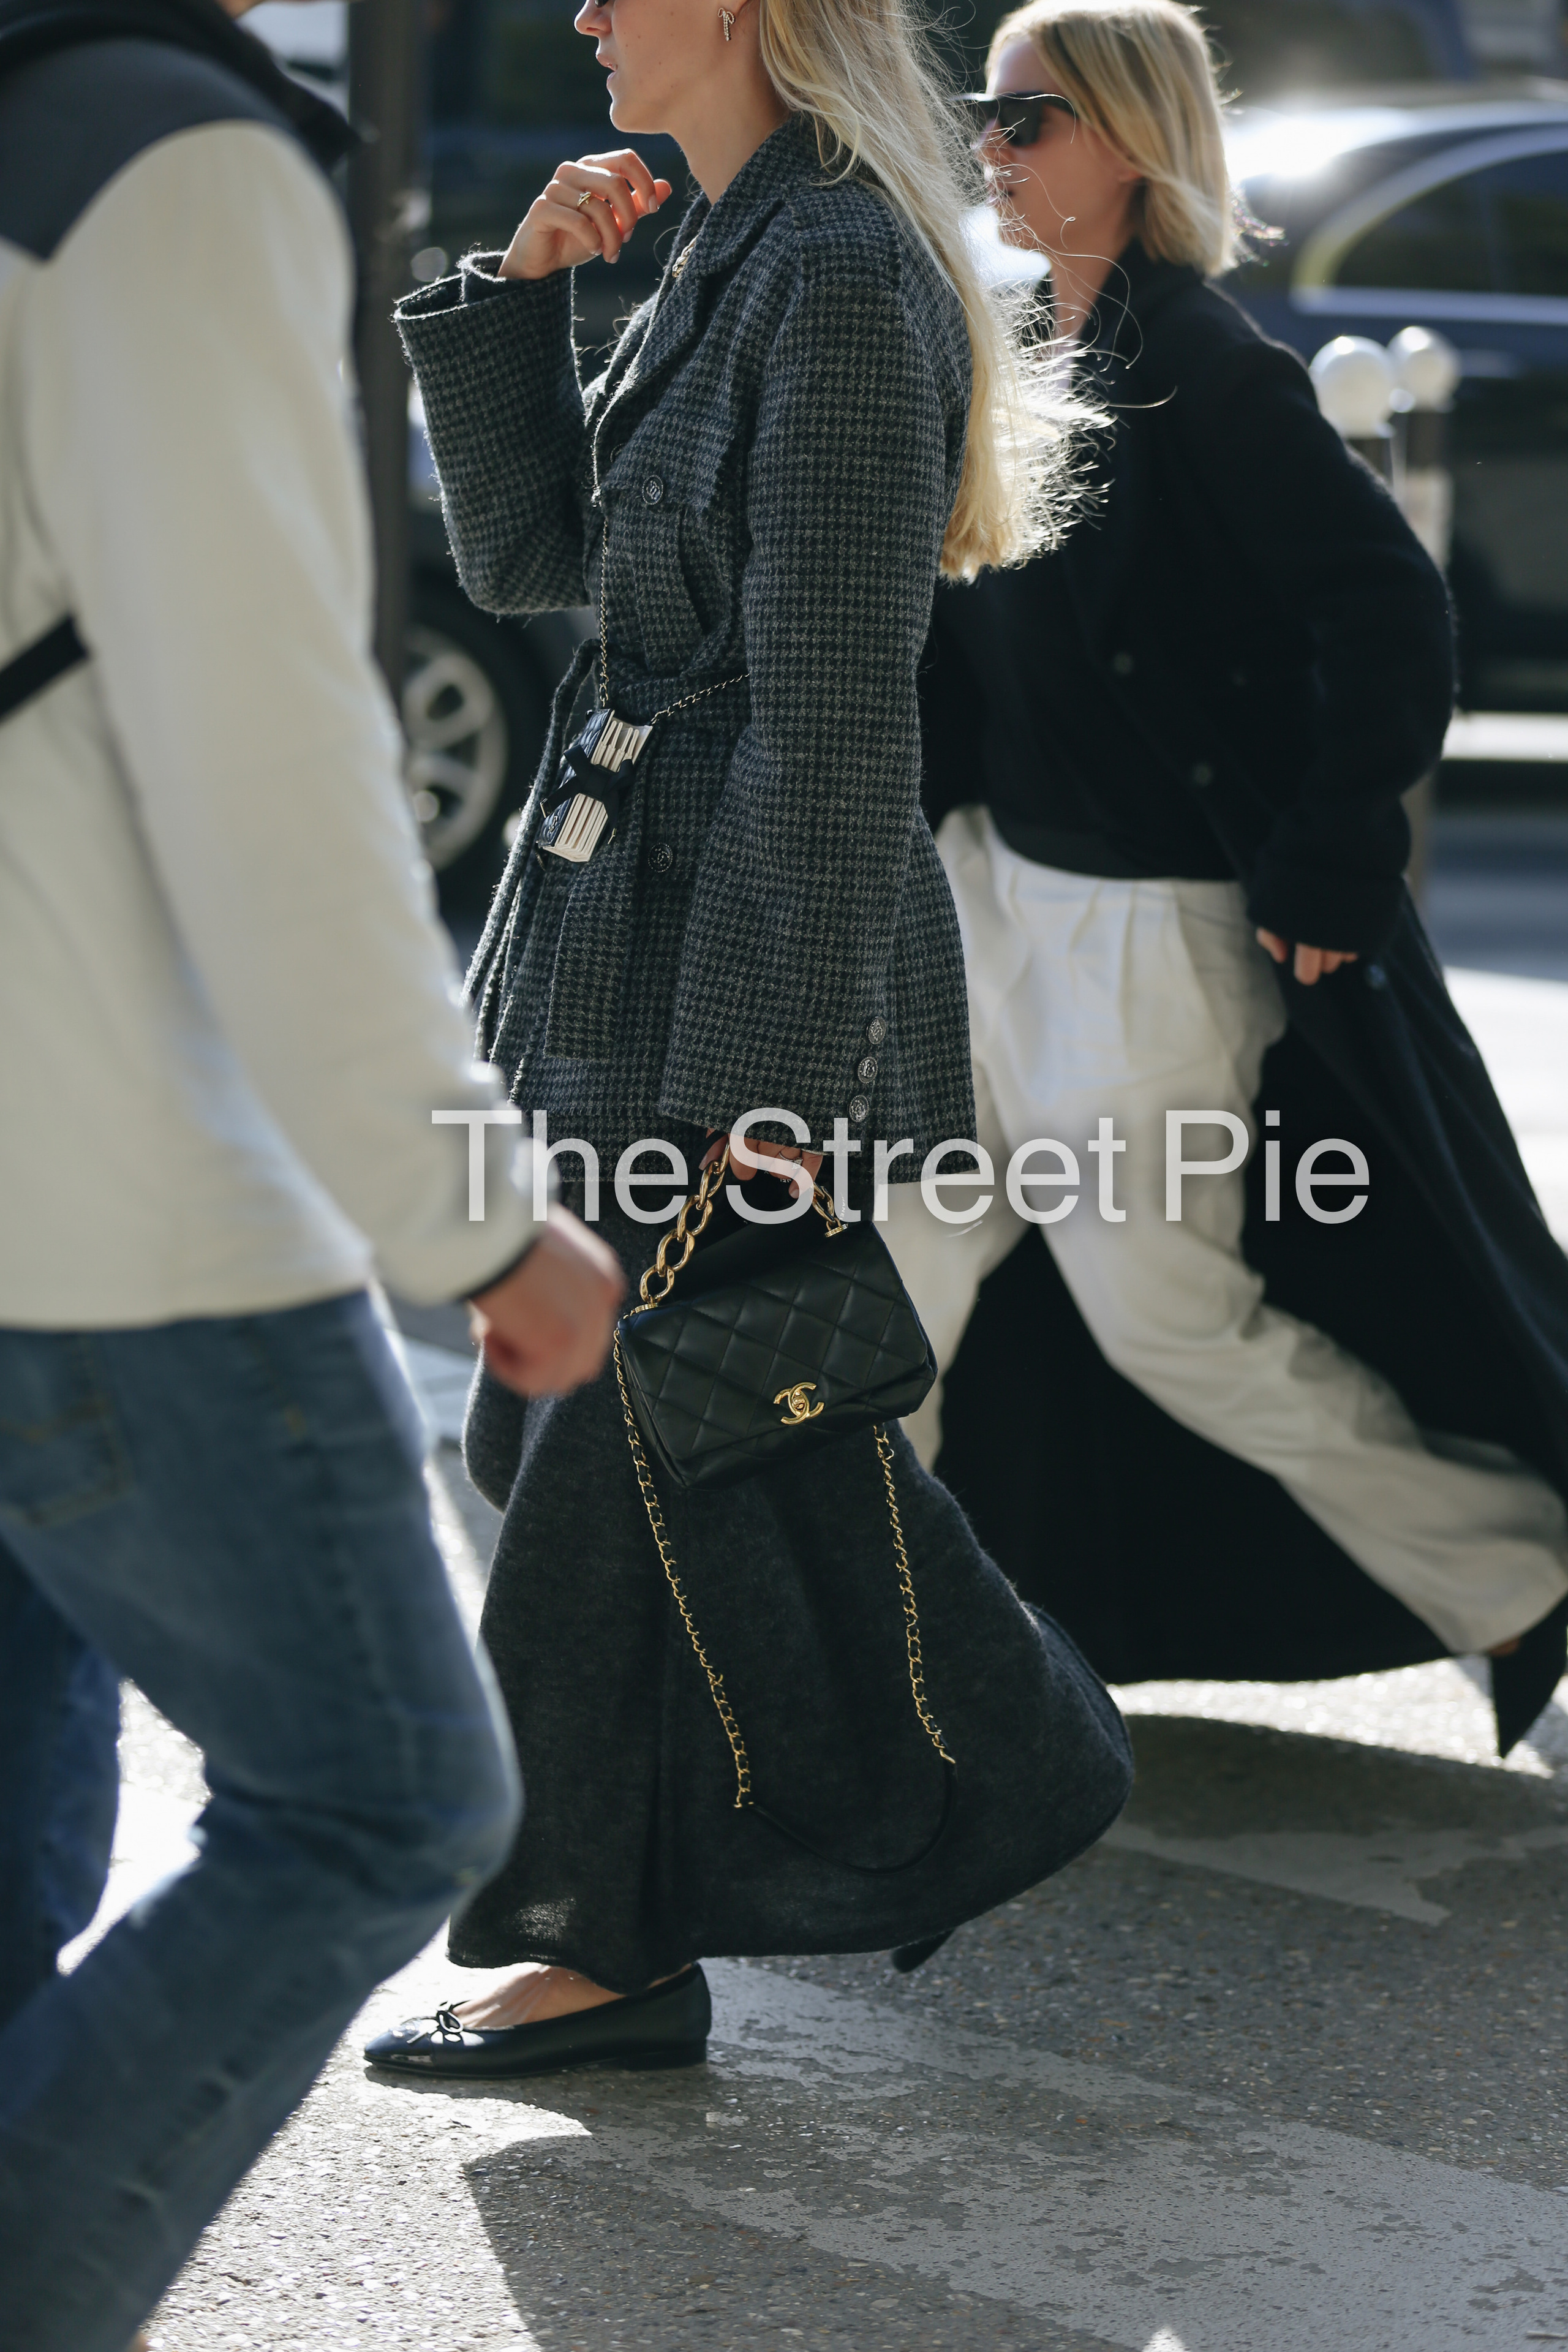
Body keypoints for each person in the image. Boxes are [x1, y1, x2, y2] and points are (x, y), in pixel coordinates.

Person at [366, 0, 1136, 2078]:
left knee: (625, 1446)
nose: (589, 14)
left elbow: (833, 716)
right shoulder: (731, 238)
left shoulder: (846, 266)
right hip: (614, 928)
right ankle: (871, 1823)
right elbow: (544, 567)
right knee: (588, 1439)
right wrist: (516, 304)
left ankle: (619, 1944)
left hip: (726, 962)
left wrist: (769, 1093)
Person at [0, 0, 622, 2344]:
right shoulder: (156, 163)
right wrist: (467, 1209)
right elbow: (273, 762)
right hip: (113, 1192)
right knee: (378, 1799)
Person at [884, 0, 1568, 1755]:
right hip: (987, 902)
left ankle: (1527, 1579)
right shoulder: (1017, 340)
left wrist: (1330, 855)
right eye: (988, 118)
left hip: (1143, 938)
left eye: (1026, 122)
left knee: (1173, 1325)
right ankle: (875, 1665)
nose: (992, 149)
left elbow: (1390, 611)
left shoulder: (1210, 367)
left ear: (1128, 139)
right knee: (896, 1277)